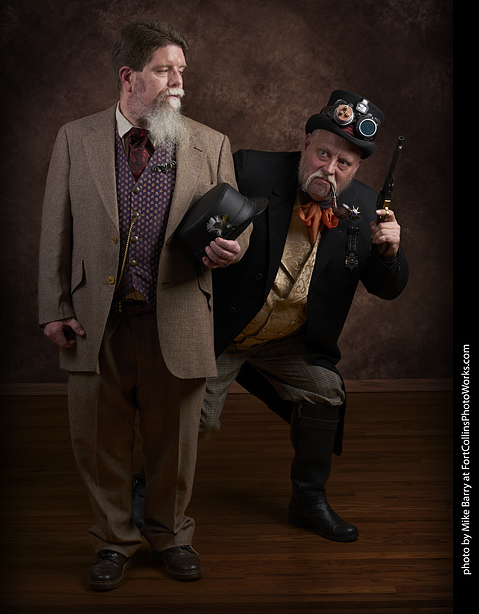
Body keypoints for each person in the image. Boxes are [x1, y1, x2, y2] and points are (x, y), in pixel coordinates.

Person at [133, 89, 408, 542]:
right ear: (306, 142)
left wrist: (390, 252)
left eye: (344, 163)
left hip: (285, 340)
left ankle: (308, 502)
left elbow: (388, 288)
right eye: (324, 154)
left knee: (326, 392)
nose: (330, 169)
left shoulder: (365, 209)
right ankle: (146, 488)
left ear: (357, 168)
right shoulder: (249, 169)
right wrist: (210, 249)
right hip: (223, 330)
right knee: (198, 419)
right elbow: (187, 230)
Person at [38, 18, 248, 591]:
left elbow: (237, 225)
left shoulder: (211, 143)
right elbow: (55, 228)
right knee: (99, 441)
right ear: (129, 76)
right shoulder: (74, 138)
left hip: (176, 317)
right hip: (96, 321)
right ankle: (113, 541)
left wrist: (232, 248)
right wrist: (53, 305)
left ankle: (171, 536)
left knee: (174, 444)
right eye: (164, 70)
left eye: (182, 70)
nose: (179, 81)